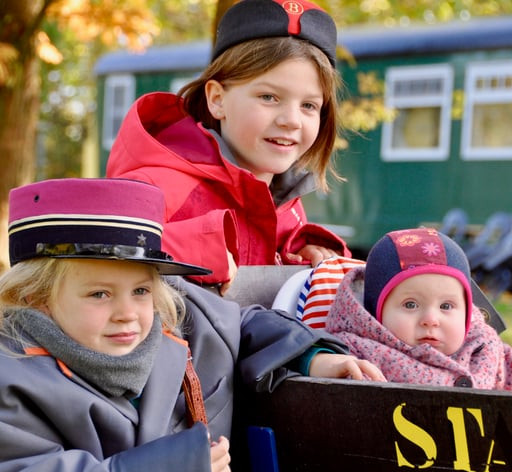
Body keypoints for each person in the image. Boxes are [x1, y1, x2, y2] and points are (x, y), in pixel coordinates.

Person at [0, 178, 385, 472]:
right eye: (99, 295)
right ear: (33, 298)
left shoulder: (173, 316)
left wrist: (309, 357)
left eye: (140, 290)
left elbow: (242, 324)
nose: (129, 315)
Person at [106, 0, 351, 294]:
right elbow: (104, 248)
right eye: (269, 97)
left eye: (309, 105)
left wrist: (305, 252)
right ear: (217, 100)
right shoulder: (155, 186)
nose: (291, 120)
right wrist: (203, 252)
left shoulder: (288, 205)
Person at [325, 227, 512, 399]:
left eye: (447, 306)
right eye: (410, 305)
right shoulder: (360, 353)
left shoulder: (480, 351)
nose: (431, 319)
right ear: (375, 313)